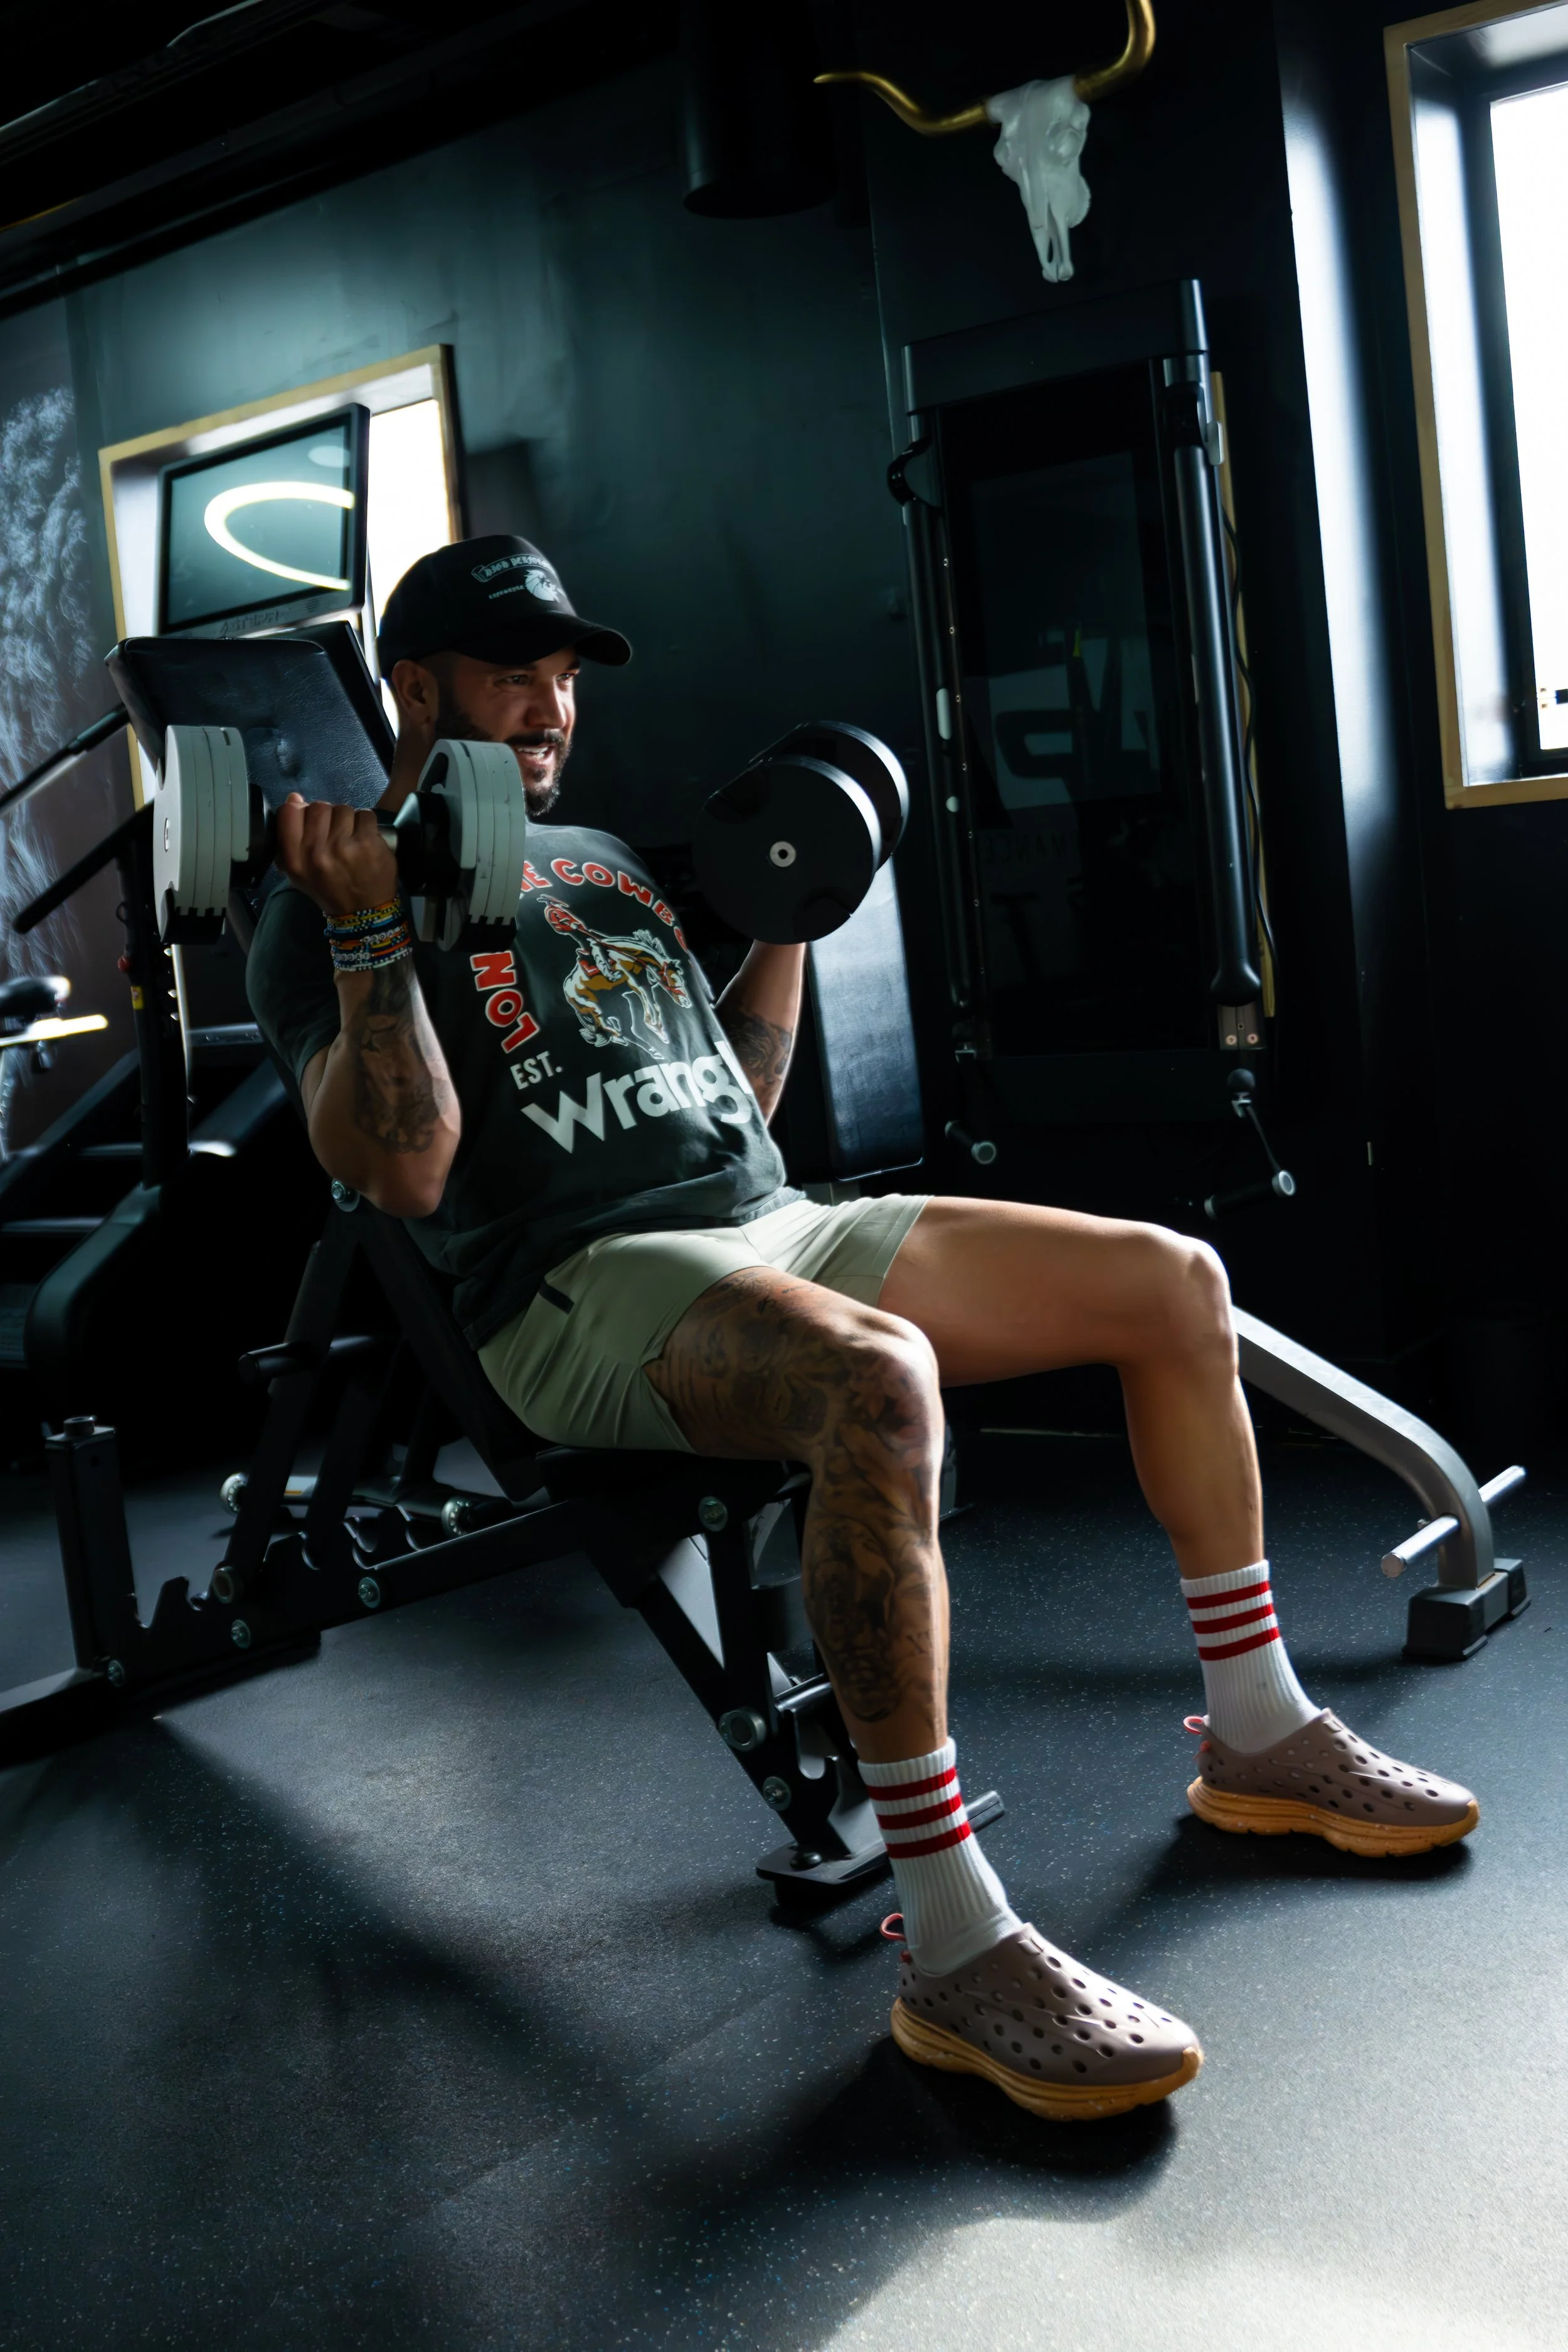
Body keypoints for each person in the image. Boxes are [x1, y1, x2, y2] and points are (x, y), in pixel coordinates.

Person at [246, 536, 1479, 2124]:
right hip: (576, 1283)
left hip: (766, 1218)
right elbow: (402, 1173)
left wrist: (792, 914)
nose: (550, 710)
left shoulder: (603, 857)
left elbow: (732, 1102)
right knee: (876, 1382)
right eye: (510, 676)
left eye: (563, 679)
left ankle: (1255, 1732)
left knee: (1169, 1279)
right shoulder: (322, 904)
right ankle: (955, 1947)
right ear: (411, 687)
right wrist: (362, 928)